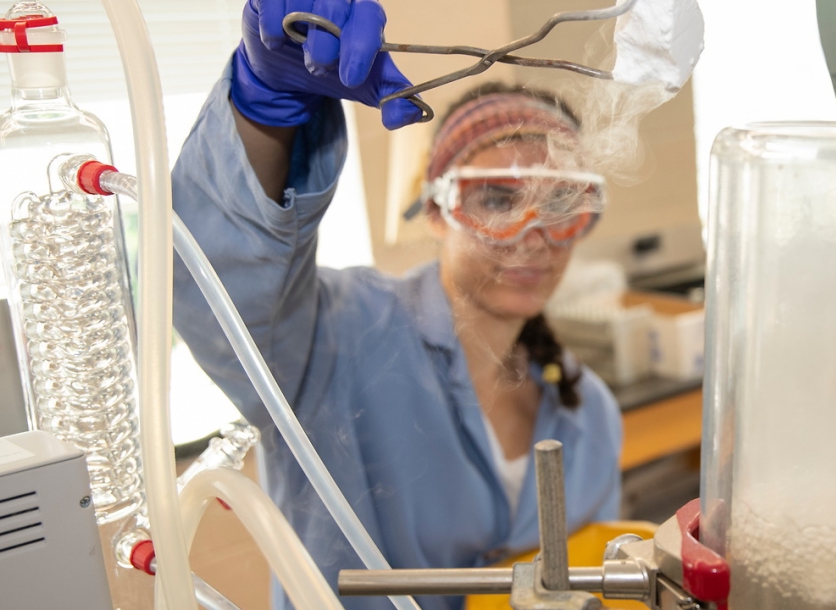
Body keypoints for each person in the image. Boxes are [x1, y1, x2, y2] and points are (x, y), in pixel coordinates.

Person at [170, 0, 623, 608]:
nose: (531, 234)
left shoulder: (588, 410)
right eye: (495, 199)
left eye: (560, 204)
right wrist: (262, 115)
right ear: (436, 210)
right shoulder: (338, 334)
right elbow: (218, 291)